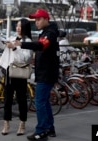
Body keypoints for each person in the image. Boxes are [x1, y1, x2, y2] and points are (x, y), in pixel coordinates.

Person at [10, 9, 60, 140]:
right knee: (44, 102)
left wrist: (22, 44)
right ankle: (49, 128)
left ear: (46, 19)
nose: (36, 22)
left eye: (39, 19)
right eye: (35, 20)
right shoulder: (47, 32)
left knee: (39, 102)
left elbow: (41, 45)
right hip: (45, 72)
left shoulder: (49, 33)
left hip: (46, 73)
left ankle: (41, 131)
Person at [0, 18, 33, 136]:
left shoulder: (28, 41)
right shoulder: (13, 38)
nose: (18, 28)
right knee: (7, 99)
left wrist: (14, 48)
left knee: (22, 100)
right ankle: (6, 123)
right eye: (17, 26)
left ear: (25, 28)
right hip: (9, 72)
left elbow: (24, 59)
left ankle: (22, 124)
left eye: (20, 26)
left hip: (20, 73)